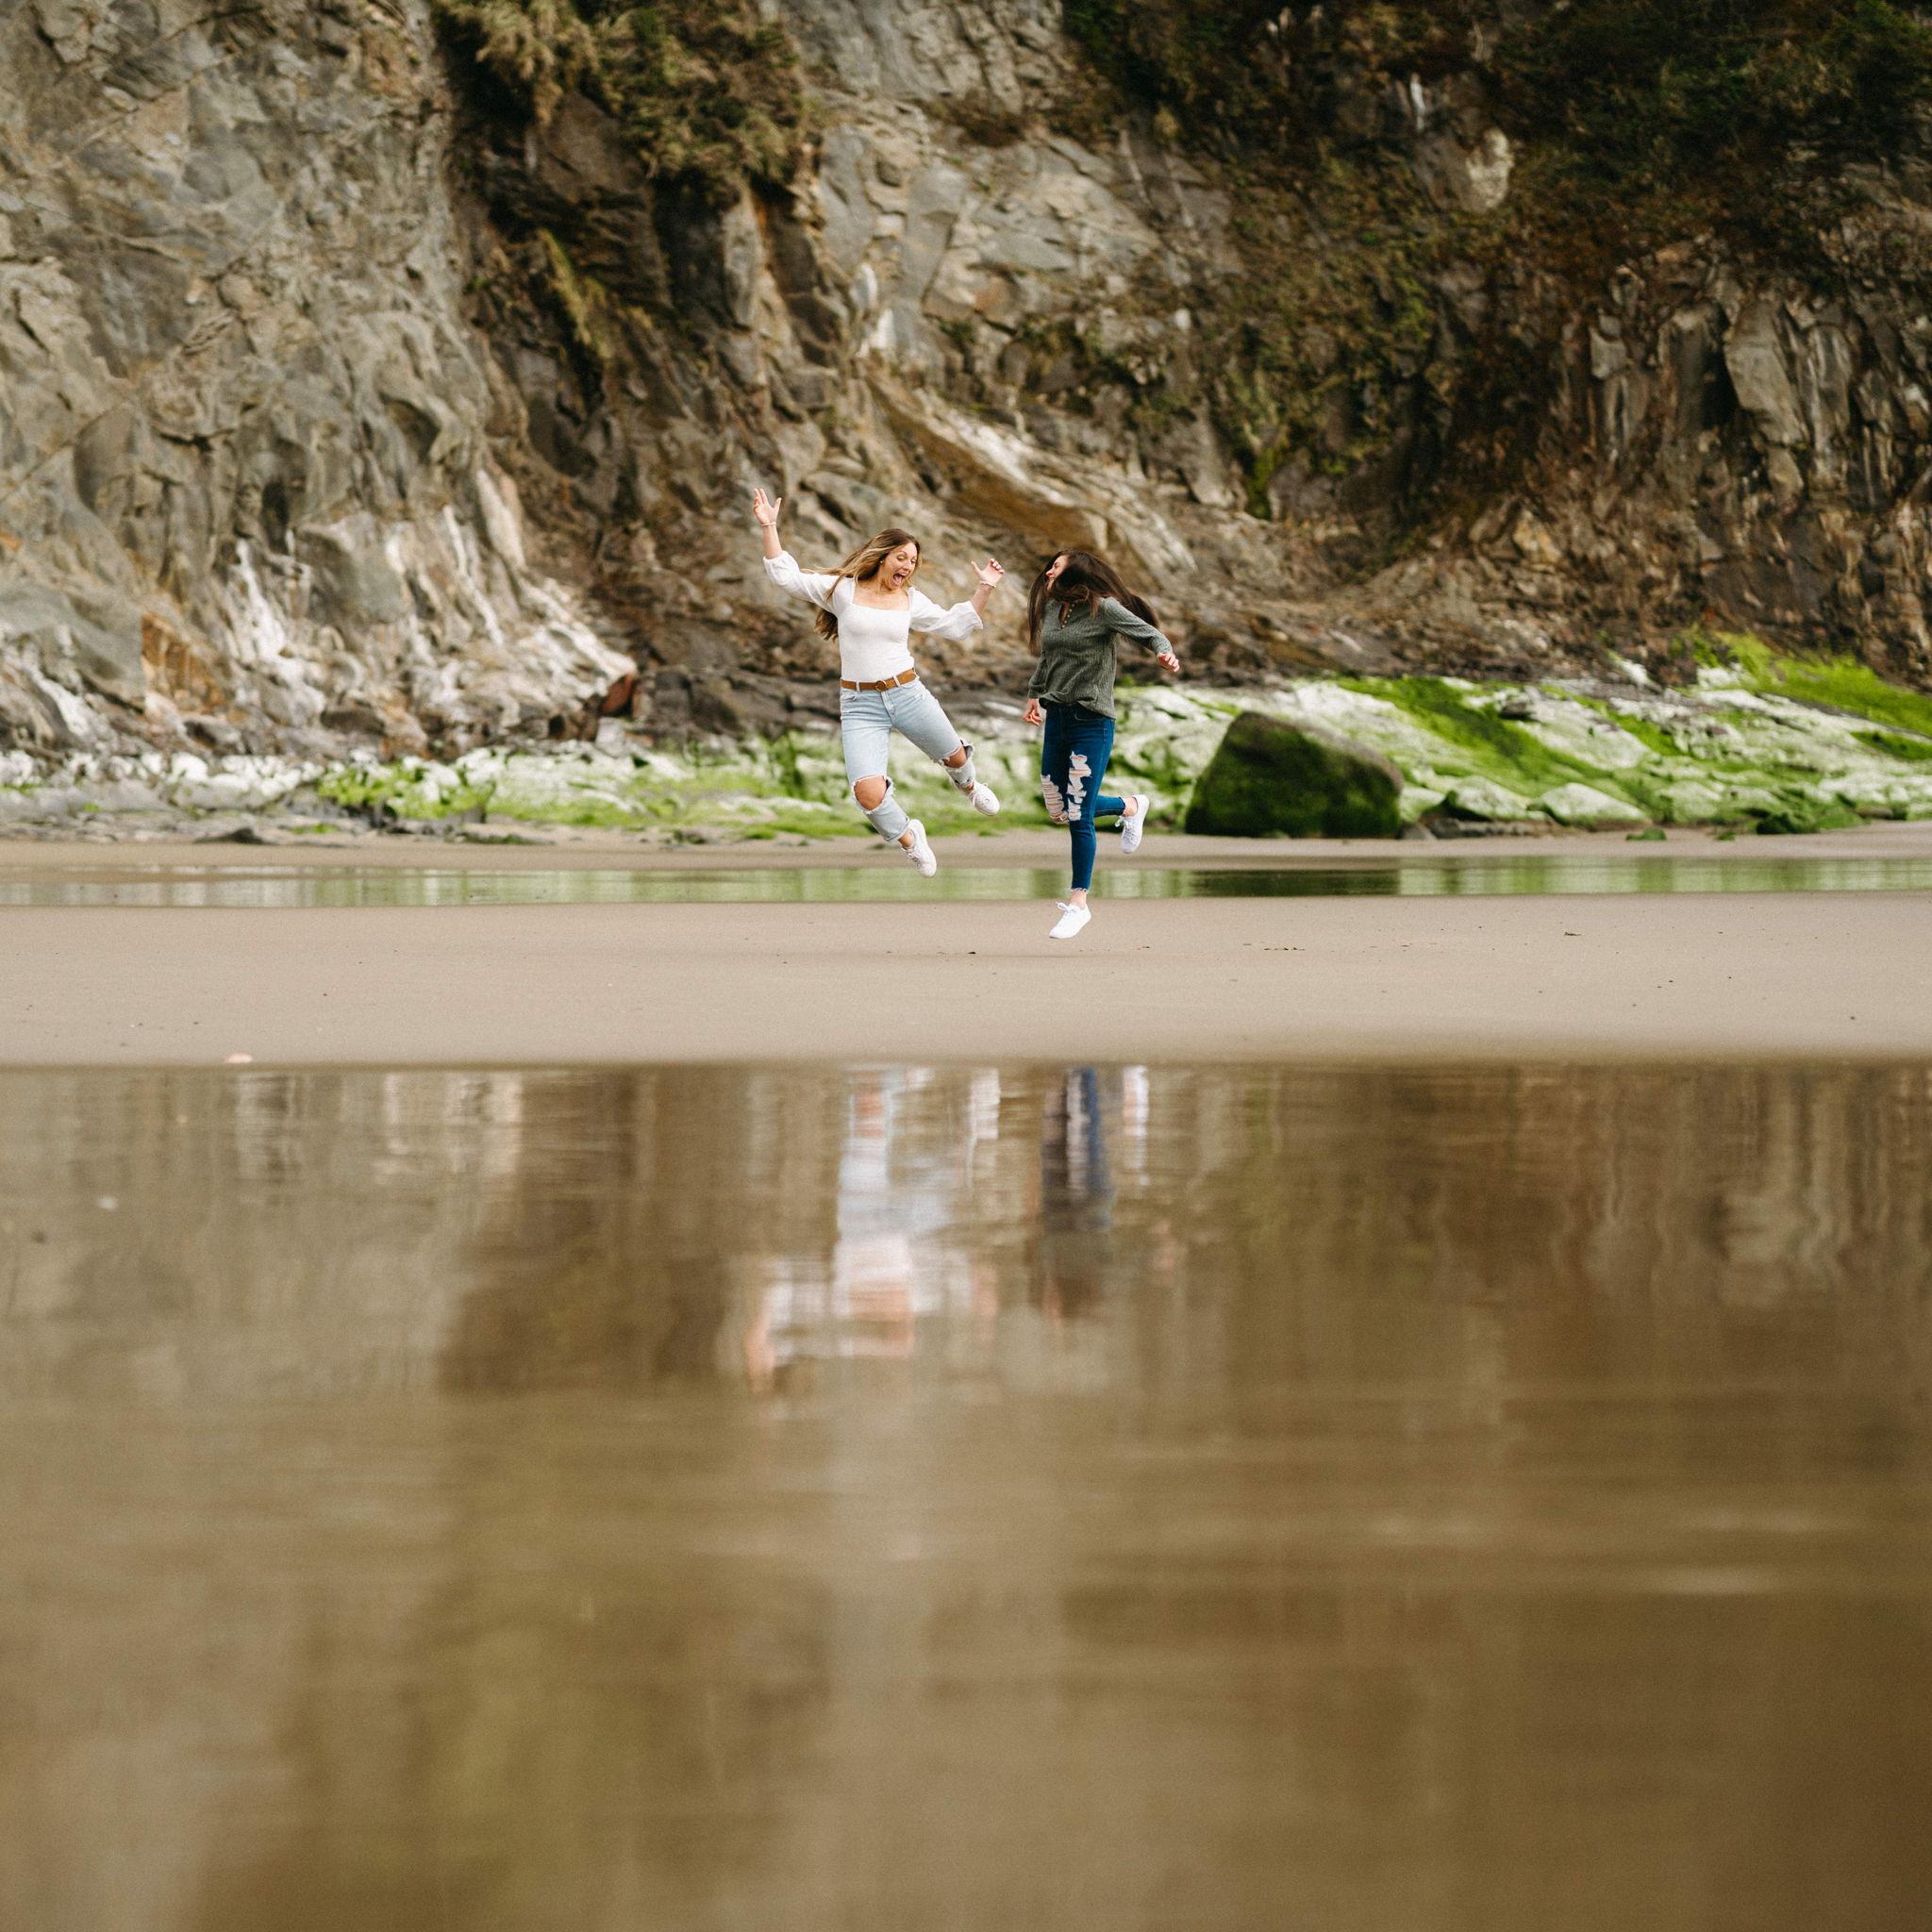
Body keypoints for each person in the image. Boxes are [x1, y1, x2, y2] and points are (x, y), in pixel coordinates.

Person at [753, 487, 1004, 874]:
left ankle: (970, 786)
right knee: (867, 794)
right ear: (882, 556)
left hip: (907, 693)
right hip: (860, 705)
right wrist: (769, 526)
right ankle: (909, 837)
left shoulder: (910, 600)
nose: (907, 566)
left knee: (955, 756)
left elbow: (953, 626)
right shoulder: (842, 590)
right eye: (901, 557)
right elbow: (786, 577)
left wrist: (985, 586)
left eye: (913, 561)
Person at [1022, 550, 1182, 939]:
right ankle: (1130, 805)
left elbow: (1151, 633)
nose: (1048, 572)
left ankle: (1078, 903)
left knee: (1078, 813)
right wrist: (1034, 694)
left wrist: (1164, 653)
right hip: (1057, 717)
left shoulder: (1104, 608)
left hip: (1092, 721)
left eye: (1056, 567)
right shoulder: (1053, 609)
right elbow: (1048, 658)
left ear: (1075, 574)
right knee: (1059, 808)